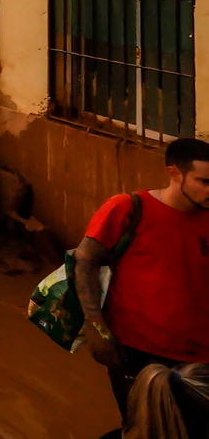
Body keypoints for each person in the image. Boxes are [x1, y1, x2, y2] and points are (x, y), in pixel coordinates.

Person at [75, 136, 209, 435]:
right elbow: (85, 262)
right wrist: (96, 326)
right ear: (174, 174)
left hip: (200, 356)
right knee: (143, 428)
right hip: (136, 351)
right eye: (204, 181)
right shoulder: (128, 208)